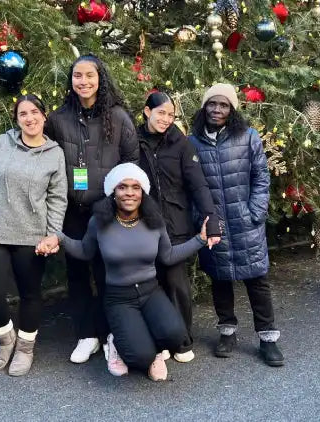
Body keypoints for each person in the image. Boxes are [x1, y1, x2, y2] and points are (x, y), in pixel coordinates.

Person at [36, 163, 209, 381]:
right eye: (122, 187)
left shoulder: (155, 221)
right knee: (140, 356)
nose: (129, 193)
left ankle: (148, 345)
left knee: (177, 336)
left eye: (135, 187)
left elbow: (168, 256)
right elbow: (84, 251)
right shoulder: (99, 222)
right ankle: (118, 344)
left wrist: (200, 240)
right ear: (112, 192)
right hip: (119, 298)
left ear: (143, 192)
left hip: (150, 292)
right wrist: (59, 238)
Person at [45, 54, 139, 364]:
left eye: (89, 75)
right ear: (70, 80)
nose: (83, 81)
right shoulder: (58, 119)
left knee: (107, 273)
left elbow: (132, 163)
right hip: (72, 210)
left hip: (106, 211)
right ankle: (87, 334)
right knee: (77, 273)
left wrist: (123, 204)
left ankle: (111, 333)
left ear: (100, 78)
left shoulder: (119, 117)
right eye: (77, 75)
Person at [0, 94, 68, 376]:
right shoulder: (1, 144)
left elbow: (57, 199)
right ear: (17, 118)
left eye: (35, 112)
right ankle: (5, 340)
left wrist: (52, 235)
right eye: (23, 113)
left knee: (30, 295)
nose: (30, 118)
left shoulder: (54, 153)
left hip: (32, 238)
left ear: (44, 116)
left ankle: (24, 347)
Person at [189, 83, 284, 366]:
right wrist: (201, 219)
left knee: (257, 280)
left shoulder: (248, 137)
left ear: (232, 110)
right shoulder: (192, 142)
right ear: (204, 107)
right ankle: (227, 331)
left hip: (246, 222)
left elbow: (261, 177)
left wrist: (255, 212)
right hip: (214, 224)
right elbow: (189, 185)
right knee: (220, 278)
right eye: (212, 104)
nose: (217, 109)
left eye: (224, 105)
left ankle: (268, 339)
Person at [138, 91, 221, 363]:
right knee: (151, 283)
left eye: (171, 115)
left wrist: (212, 218)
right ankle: (160, 339)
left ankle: (183, 339)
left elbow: (198, 183)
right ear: (147, 111)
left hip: (176, 223)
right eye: (161, 112)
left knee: (176, 283)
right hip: (143, 224)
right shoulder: (133, 141)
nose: (166, 119)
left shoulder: (181, 144)